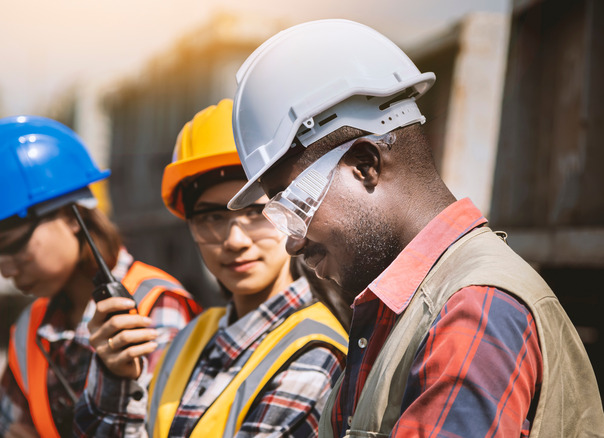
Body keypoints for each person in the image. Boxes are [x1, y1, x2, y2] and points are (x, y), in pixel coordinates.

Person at [226, 19, 604, 438]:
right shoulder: (402, 312)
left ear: (365, 165)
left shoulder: (471, 311)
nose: (292, 242)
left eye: (295, 204)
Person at [74, 99, 349, 437]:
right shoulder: (191, 338)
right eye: (212, 217)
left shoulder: (314, 354)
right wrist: (115, 378)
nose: (234, 240)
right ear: (190, 227)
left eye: (256, 212)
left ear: (292, 212)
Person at [0, 116, 201, 438]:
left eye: (12, 247)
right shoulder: (32, 328)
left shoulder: (155, 308)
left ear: (72, 215)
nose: (6, 270)